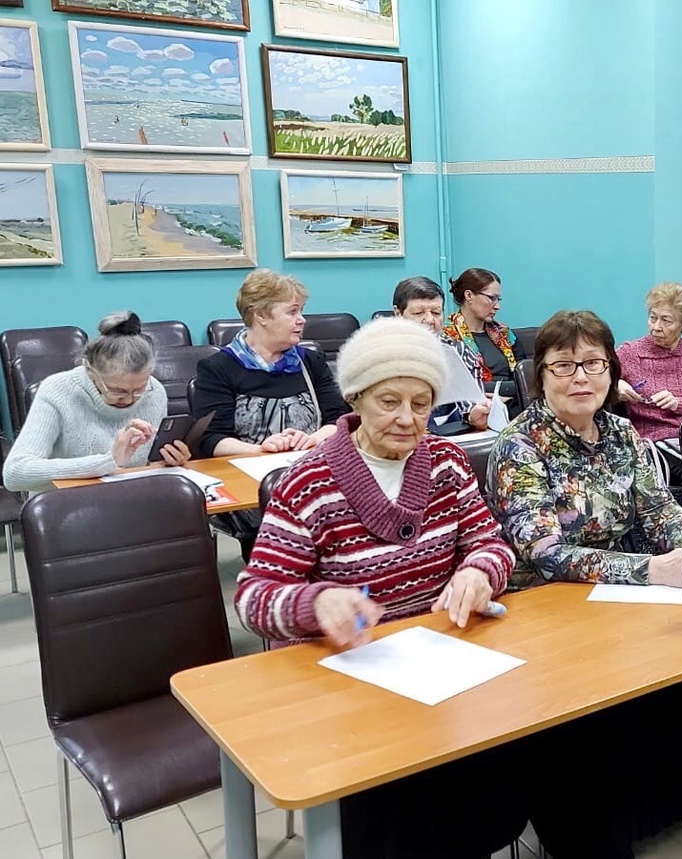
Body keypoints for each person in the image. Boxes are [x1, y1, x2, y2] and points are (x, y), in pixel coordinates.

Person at [236, 317, 525, 859]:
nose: (407, 419)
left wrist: (479, 571)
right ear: (356, 397)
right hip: (351, 679)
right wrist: (317, 601)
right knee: (389, 815)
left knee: (489, 778)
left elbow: (491, 542)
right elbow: (255, 597)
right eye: (389, 401)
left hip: (444, 662)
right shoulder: (308, 482)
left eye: (421, 403)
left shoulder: (446, 462)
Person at [487, 310, 682, 858]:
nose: (581, 377)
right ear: (540, 375)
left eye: (593, 363)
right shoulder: (520, 444)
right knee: (593, 722)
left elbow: (659, 511)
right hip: (547, 609)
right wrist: (648, 571)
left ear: (611, 371)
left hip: (622, 598)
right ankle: (585, 830)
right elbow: (543, 552)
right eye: (564, 365)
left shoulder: (621, 431)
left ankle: (654, 808)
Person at [191, 269, 349, 559]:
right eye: (292, 312)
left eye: (301, 311)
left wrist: (313, 438)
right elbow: (211, 439)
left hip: (311, 471)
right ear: (261, 315)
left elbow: (339, 418)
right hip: (251, 482)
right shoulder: (219, 369)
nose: (302, 320)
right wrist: (259, 449)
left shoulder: (310, 362)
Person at [4, 311, 190, 492]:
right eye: (117, 391)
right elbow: (15, 474)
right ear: (90, 370)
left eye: (139, 390)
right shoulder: (57, 391)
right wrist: (107, 461)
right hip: (66, 503)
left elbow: (143, 467)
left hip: (129, 498)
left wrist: (168, 462)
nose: (129, 399)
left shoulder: (154, 391)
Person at [615, 282, 682, 442]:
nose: (656, 327)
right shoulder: (629, 352)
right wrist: (615, 385)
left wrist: (677, 403)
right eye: (653, 318)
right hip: (652, 440)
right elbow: (597, 381)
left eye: (666, 321)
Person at [392, 275, 492, 430]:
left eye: (436, 312)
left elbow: (471, 403)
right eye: (418, 313)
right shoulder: (381, 354)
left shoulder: (457, 350)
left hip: (448, 433)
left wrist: (475, 415)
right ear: (398, 314)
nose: (429, 320)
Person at [441, 267, 527, 400]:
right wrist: (512, 389)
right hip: (474, 405)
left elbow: (526, 376)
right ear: (469, 296)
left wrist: (509, 394)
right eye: (491, 298)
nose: (497, 306)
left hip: (515, 401)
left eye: (498, 299)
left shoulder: (504, 333)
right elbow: (461, 385)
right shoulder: (447, 337)